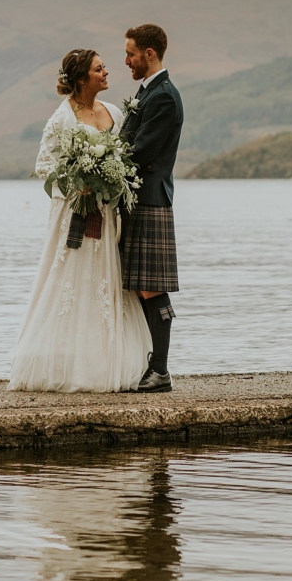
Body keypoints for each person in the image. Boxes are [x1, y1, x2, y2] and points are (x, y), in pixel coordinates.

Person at [8, 49, 151, 393]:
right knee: (72, 281)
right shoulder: (62, 118)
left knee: (104, 281)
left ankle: (104, 362)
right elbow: (44, 166)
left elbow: (124, 158)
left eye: (104, 67)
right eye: (99, 69)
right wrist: (78, 182)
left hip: (106, 213)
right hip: (75, 210)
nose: (106, 72)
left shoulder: (114, 112)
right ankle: (66, 365)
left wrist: (112, 180)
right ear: (82, 79)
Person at [119, 24, 184, 393]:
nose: (126, 61)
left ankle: (160, 369)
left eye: (130, 54)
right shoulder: (148, 92)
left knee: (151, 287)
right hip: (141, 200)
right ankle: (154, 365)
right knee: (144, 286)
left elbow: (140, 151)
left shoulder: (163, 97)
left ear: (149, 54)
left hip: (150, 199)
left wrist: (100, 161)